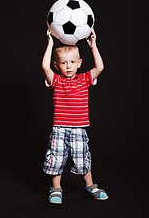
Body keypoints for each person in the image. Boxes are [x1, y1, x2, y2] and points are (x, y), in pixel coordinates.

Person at [42, 28, 108, 204]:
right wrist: (50, 44)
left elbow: (100, 67)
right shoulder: (56, 81)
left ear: (79, 63)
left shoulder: (84, 79)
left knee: (82, 157)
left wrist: (93, 46)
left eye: (72, 62)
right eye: (63, 63)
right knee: (56, 158)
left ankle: (90, 186)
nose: (68, 66)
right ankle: (56, 188)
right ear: (57, 65)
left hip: (78, 129)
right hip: (59, 129)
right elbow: (44, 67)